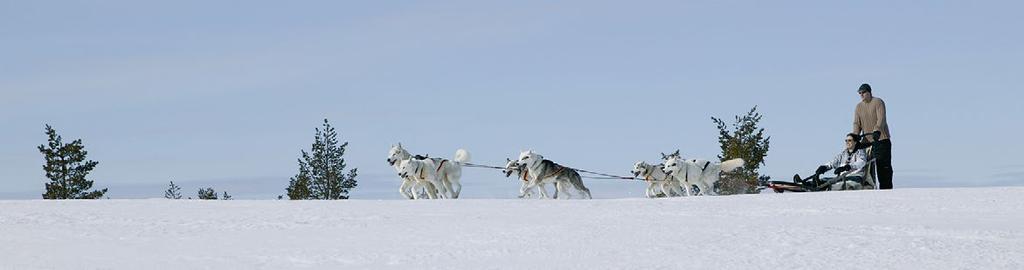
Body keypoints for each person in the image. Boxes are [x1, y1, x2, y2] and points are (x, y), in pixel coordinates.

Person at [853, 83, 893, 189]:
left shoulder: (878, 102)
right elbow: (857, 123)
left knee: (883, 168)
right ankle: (868, 190)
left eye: (863, 92)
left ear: (869, 92)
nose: (861, 95)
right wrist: (855, 136)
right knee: (865, 168)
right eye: (860, 93)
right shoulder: (858, 107)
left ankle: (886, 191)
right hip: (866, 141)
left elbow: (881, 119)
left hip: (881, 139)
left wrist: (877, 130)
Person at [793, 133, 868, 189]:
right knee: (824, 180)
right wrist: (825, 167)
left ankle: (821, 187)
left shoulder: (860, 152)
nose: (847, 142)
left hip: (854, 177)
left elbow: (861, 162)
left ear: (855, 142)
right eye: (846, 140)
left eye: (849, 140)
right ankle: (804, 184)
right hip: (842, 177)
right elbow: (833, 162)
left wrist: (848, 167)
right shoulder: (843, 153)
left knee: (833, 184)